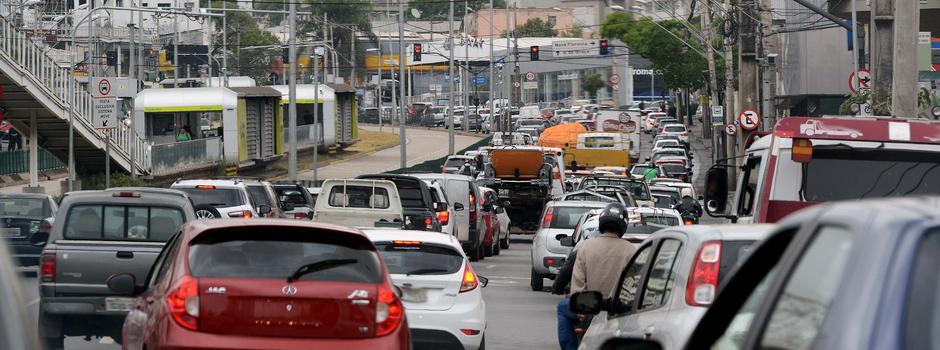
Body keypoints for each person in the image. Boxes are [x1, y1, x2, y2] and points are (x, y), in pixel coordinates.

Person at [556, 203, 637, 350]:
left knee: (562, 308)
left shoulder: (586, 247)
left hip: (589, 305)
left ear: (601, 222)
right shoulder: (631, 250)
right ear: (623, 226)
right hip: (618, 308)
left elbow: (578, 285)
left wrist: (582, 312)